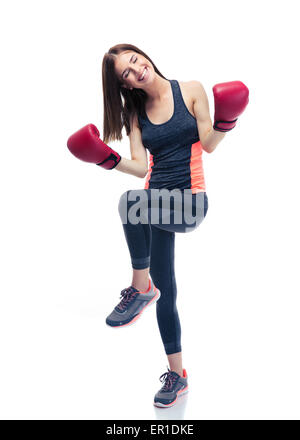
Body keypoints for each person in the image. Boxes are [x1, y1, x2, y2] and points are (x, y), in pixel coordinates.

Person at [67, 43, 249, 408]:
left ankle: (140, 286)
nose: (136, 71)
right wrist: (107, 158)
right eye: (126, 74)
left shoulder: (191, 90)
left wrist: (227, 120)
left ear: (144, 55)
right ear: (126, 85)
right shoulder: (136, 115)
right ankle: (178, 376)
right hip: (156, 206)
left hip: (190, 201)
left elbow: (209, 143)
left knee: (129, 202)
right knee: (169, 292)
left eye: (135, 61)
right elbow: (140, 166)